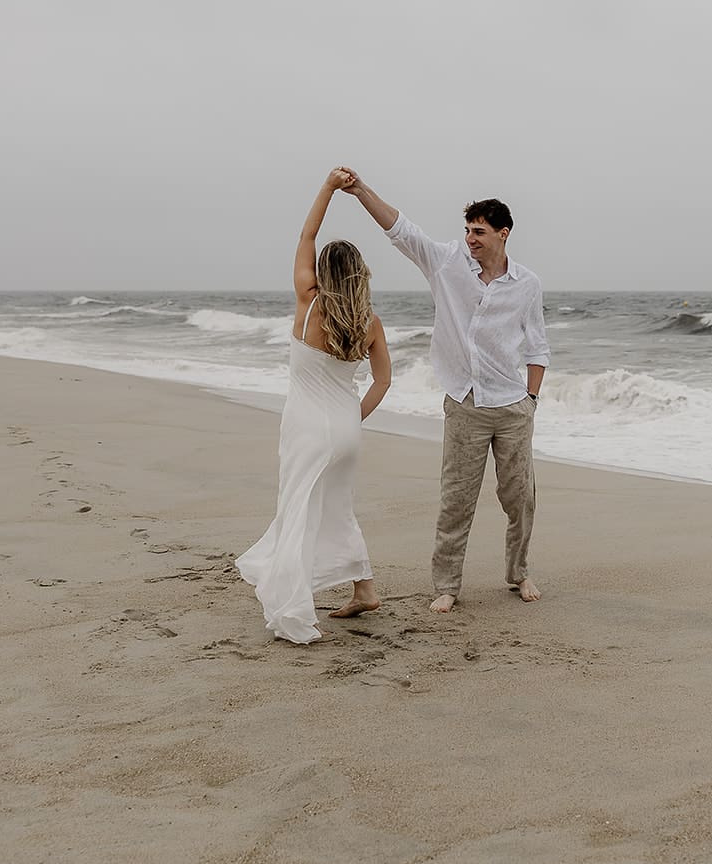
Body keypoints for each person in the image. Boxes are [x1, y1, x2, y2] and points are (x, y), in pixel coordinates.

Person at [340, 168, 548, 613]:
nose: (470, 238)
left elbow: (537, 346)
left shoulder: (527, 284)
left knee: (520, 498)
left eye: (479, 231)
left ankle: (519, 572)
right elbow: (401, 229)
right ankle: (447, 585)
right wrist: (360, 191)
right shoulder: (446, 262)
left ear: (503, 233)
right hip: (465, 403)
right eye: (468, 230)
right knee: (456, 499)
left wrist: (531, 401)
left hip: (513, 406)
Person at [235, 168, 393, 643]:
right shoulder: (370, 322)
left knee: (298, 511)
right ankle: (364, 589)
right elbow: (384, 381)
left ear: (323, 273)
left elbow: (308, 233)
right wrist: (352, 418)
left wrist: (327, 188)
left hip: (306, 429)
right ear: (361, 274)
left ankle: (295, 605)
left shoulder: (309, 303)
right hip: (346, 432)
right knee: (336, 509)